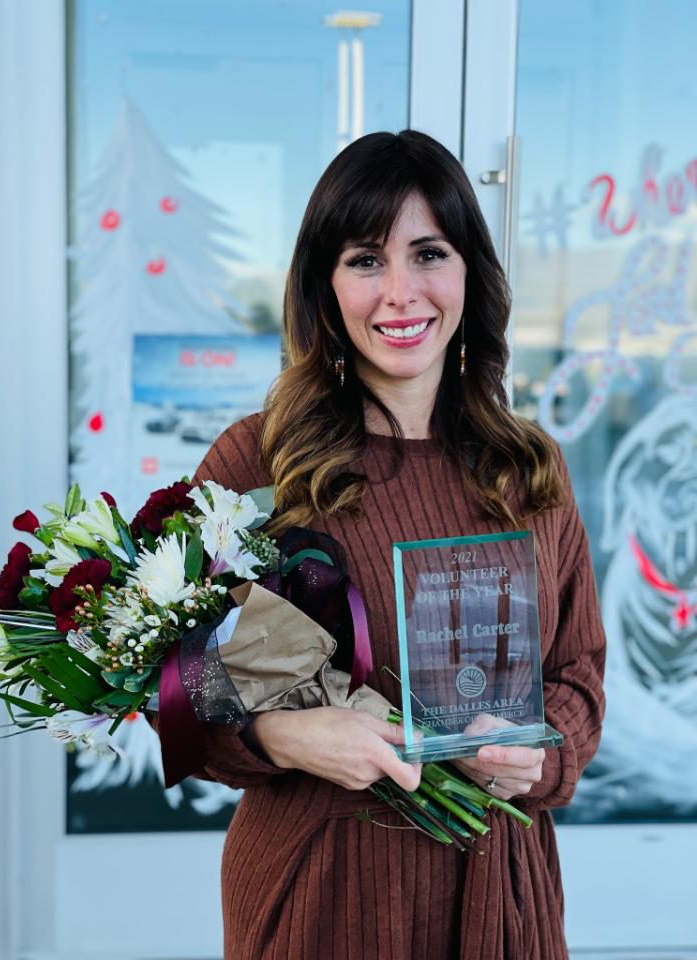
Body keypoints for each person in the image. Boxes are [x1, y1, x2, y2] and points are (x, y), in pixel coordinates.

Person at [176, 130, 606, 959]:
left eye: (429, 253)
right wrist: (280, 736)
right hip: (322, 897)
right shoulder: (258, 463)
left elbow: (578, 673)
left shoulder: (530, 468)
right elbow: (178, 681)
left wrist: (536, 755)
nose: (401, 293)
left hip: (500, 894)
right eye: (366, 259)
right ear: (324, 286)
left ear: (469, 274)